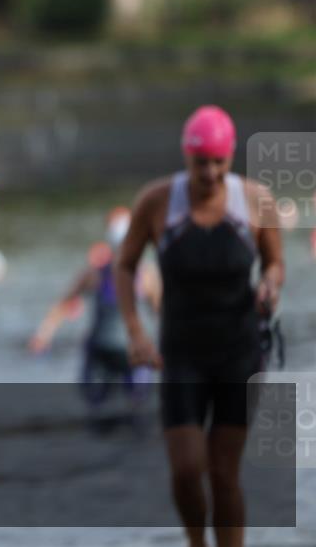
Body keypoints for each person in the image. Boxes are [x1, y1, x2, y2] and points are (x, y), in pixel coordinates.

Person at [114, 105, 284, 547]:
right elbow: (125, 265)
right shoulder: (156, 202)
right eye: (199, 162)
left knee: (224, 474)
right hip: (182, 353)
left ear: (230, 158)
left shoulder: (255, 200)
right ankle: (196, 542)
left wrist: (270, 283)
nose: (209, 172)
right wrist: (135, 331)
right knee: (188, 470)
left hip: (239, 353)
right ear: (185, 158)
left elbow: (275, 263)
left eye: (218, 162)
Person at [29, 207, 159, 427]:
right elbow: (163, 314)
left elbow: (62, 306)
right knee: (132, 412)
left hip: (113, 351)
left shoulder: (98, 274)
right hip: (117, 352)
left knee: (106, 413)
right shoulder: (140, 275)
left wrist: (43, 335)